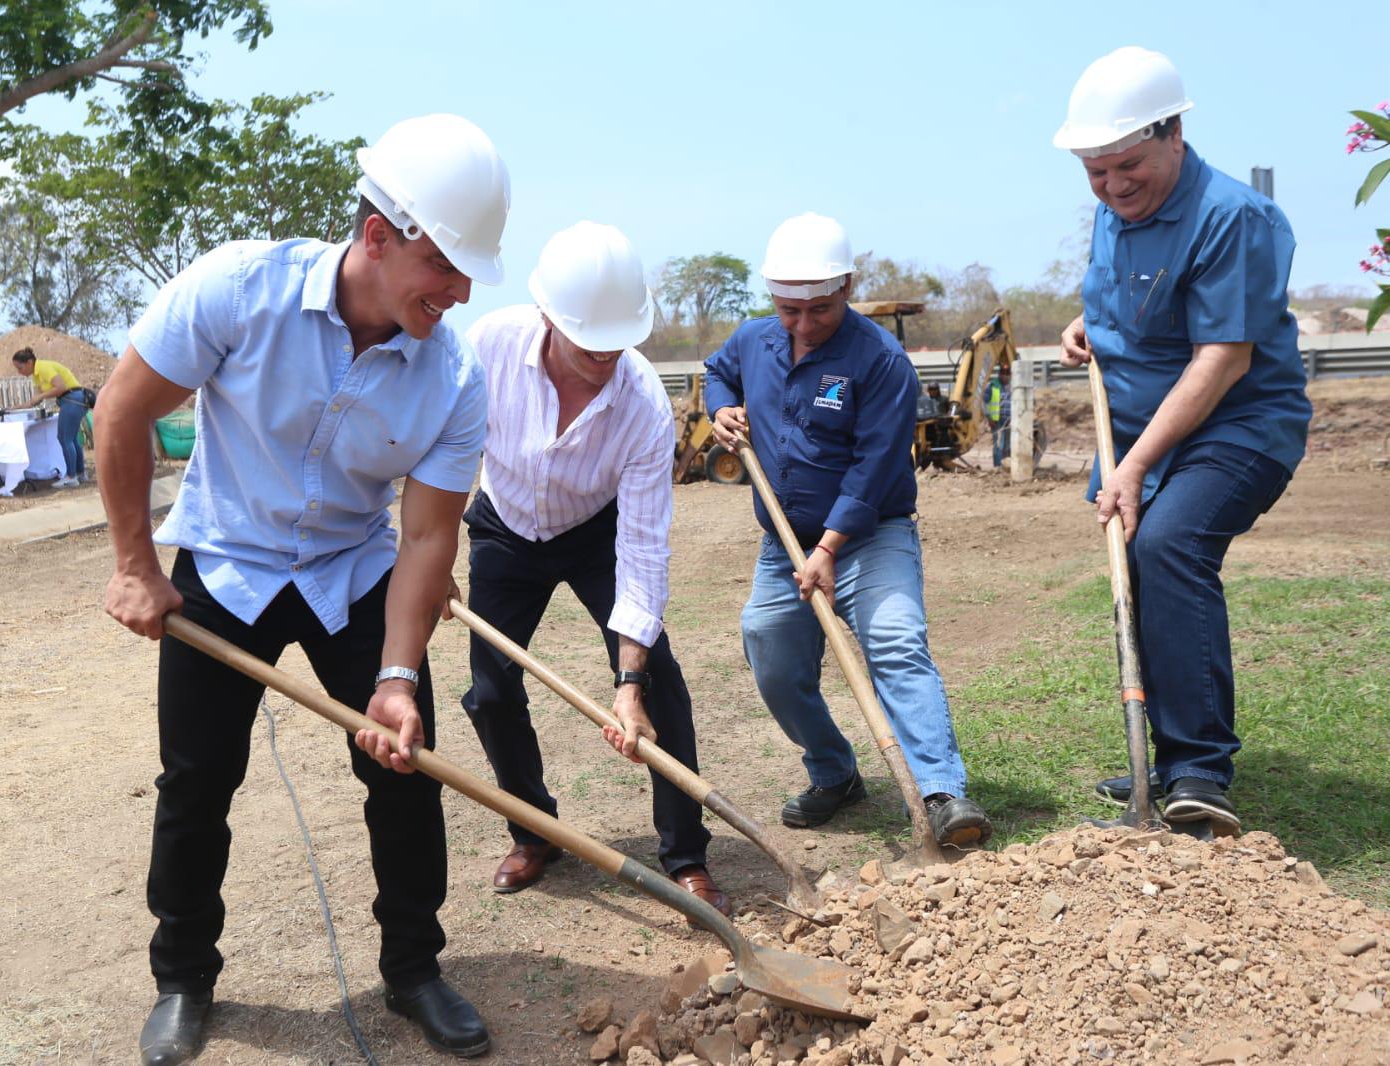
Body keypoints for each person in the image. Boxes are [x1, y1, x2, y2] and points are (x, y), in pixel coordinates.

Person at [94, 113, 511, 1065]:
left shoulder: (453, 375)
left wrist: (397, 676)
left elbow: (428, 533)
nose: (458, 291)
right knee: (197, 782)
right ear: (378, 235)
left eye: (469, 273)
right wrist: (134, 566)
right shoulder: (241, 288)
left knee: (404, 767)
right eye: (444, 265)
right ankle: (183, 977)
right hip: (226, 563)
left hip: (351, 570)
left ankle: (414, 970)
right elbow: (120, 411)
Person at [1053, 47, 1310, 835]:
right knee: (1133, 567)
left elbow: (1222, 358)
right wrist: (1087, 324)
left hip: (1236, 424)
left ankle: (1198, 770)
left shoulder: (1233, 217)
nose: (1111, 186)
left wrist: (1130, 466)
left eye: (1126, 165)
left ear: (1172, 134)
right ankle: (1160, 760)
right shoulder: (1112, 209)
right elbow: (1127, 299)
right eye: (1095, 172)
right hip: (1139, 429)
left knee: (1168, 547)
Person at [460, 222, 728, 916]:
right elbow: (441, 448)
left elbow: (641, 548)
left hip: (595, 533)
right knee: (489, 692)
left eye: (619, 344)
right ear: (548, 317)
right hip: (505, 524)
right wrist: (425, 558)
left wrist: (627, 682)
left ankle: (686, 855)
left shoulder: (642, 406)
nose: (606, 358)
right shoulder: (487, 345)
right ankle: (534, 831)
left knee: (661, 686)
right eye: (590, 346)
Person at [705, 213, 991, 846]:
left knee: (893, 639)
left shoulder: (880, 361)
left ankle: (942, 792)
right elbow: (717, 371)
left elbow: (874, 466)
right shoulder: (755, 340)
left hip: (869, 536)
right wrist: (720, 409)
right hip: (784, 544)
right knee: (770, 651)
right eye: (789, 310)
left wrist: (829, 549)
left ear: (847, 287)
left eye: (820, 310)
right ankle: (835, 773)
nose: (803, 324)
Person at [10, 347, 89, 487]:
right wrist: (16, 408)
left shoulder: (44, 368)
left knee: (65, 438)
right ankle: (80, 473)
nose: (19, 372)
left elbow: (61, 387)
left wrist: (41, 396)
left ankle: (71, 476)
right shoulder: (35, 375)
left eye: (20, 368)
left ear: (29, 362)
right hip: (71, 400)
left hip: (73, 399)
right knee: (71, 438)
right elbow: (36, 399)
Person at [983, 363, 1011, 468]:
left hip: (1009, 420)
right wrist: (989, 418)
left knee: (1008, 445)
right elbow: (984, 403)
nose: (1005, 376)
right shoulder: (993, 385)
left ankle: (1006, 465)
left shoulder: (1012, 386)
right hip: (997, 420)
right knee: (999, 444)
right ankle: (998, 466)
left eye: (1007, 373)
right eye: (1003, 373)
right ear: (999, 374)